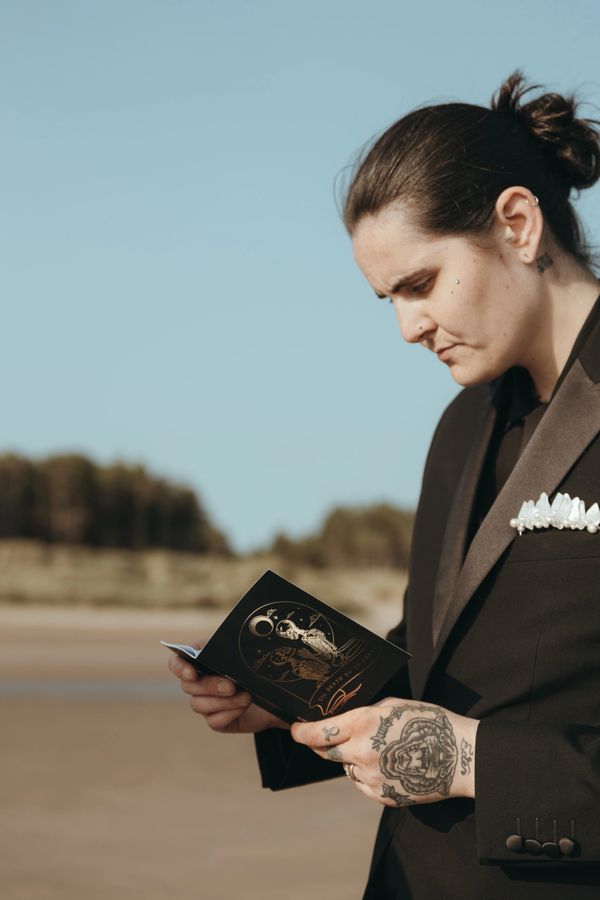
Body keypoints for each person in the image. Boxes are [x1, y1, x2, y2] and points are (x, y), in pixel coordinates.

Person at [168, 70, 600, 898]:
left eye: (420, 284)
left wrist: (471, 761)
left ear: (517, 223)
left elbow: (466, 735)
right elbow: (444, 666)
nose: (407, 328)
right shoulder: (461, 426)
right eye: (387, 299)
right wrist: (289, 701)